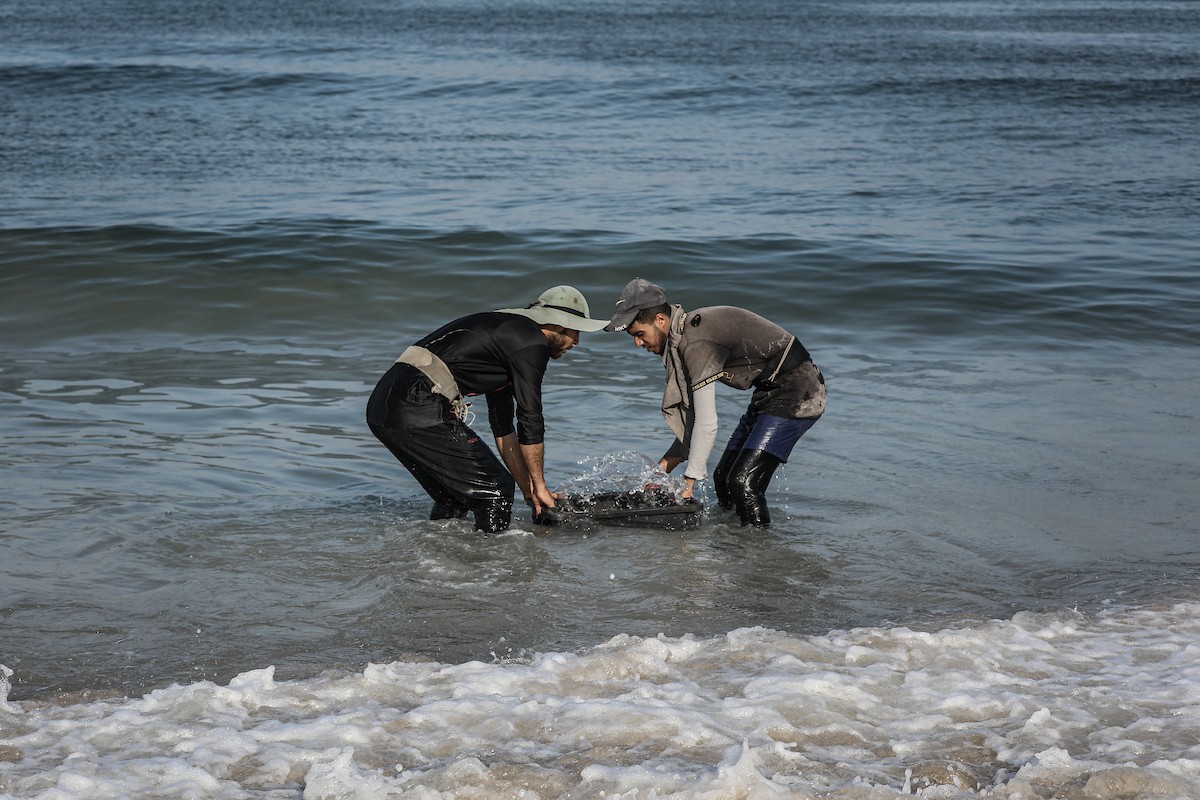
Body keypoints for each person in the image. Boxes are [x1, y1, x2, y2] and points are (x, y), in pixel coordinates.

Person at [367, 285, 608, 534]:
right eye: (576, 331)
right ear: (559, 325)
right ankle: (491, 566)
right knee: (496, 489)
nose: (577, 342)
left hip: (383, 408)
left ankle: (440, 562)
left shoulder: (505, 336)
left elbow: (503, 427)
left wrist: (529, 491)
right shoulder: (532, 343)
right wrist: (541, 485)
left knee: (455, 496)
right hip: (416, 405)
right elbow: (530, 419)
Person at [606, 277, 826, 526]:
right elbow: (692, 424)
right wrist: (660, 471)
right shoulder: (682, 335)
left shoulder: (695, 340)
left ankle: (760, 552)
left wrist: (689, 480)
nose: (637, 343)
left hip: (798, 389)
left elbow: (707, 422)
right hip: (768, 392)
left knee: (744, 483)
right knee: (723, 477)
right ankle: (732, 537)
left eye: (639, 334)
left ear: (660, 320)